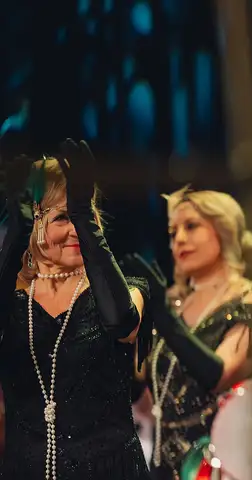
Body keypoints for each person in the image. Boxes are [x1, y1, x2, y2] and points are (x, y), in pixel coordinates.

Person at [0, 141, 151, 479]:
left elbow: (121, 322)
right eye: (63, 217)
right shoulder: (12, 299)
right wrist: (15, 237)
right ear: (35, 222)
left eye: (84, 213)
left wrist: (83, 218)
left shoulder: (130, 289)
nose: (74, 229)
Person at [120, 187, 252, 479]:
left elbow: (220, 375)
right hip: (163, 465)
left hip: (226, 465)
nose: (179, 239)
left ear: (224, 230)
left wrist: (162, 314)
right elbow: (144, 395)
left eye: (191, 226)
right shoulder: (170, 302)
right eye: (172, 232)